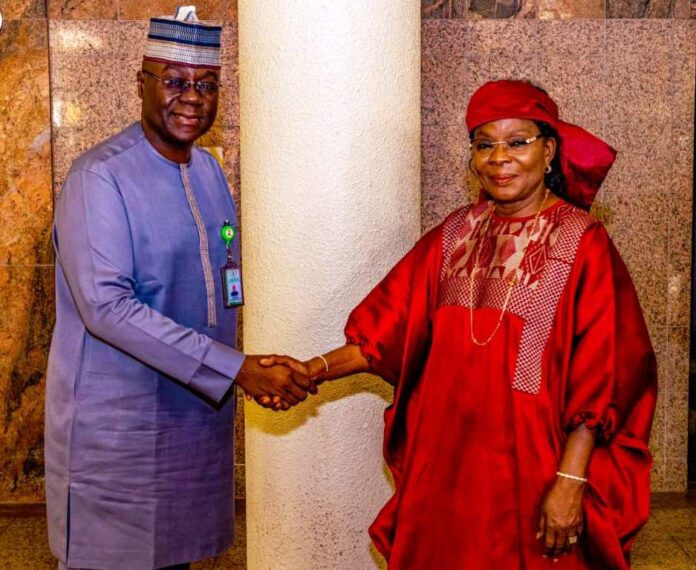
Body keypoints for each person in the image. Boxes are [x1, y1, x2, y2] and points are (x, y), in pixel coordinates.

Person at [262, 80, 657, 569]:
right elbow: (384, 330)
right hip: (445, 470)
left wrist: (570, 482)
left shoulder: (584, 243)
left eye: (517, 142)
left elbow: (604, 376)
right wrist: (310, 369)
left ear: (549, 149)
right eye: (485, 144)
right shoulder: (453, 235)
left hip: (534, 471)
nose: (499, 157)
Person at [45, 7, 313, 570]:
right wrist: (239, 369)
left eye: (206, 85)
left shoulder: (209, 172)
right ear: (140, 83)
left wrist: (245, 367)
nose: (192, 97)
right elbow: (108, 309)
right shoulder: (100, 177)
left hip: (191, 424)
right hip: (119, 433)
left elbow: (223, 284)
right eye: (173, 81)